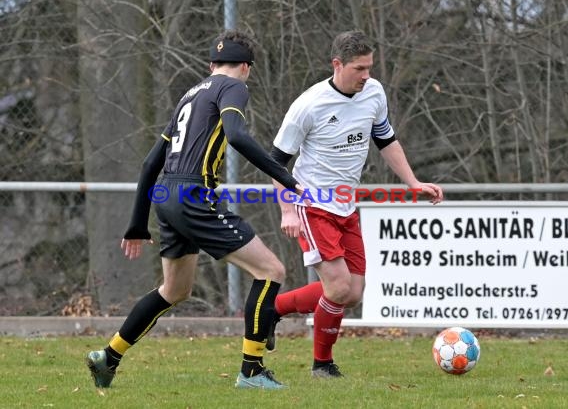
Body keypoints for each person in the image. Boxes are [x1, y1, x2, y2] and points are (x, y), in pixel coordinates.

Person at [85, 30, 305, 390]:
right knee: (270, 271)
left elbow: (149, 164)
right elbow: (236, 135)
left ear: (211, 65)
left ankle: (108, 357)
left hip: (166, 196)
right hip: (192, 194)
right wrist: (287, 177)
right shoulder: (233, 87)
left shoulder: (189, 95)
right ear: (246, 67)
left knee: (174, 290)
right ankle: (251, 371)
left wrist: (138, 223)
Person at [267, 30, 444, 378]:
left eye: (369, 67)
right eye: (359, 68)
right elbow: (275, 161)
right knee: (338, 287)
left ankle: (272, 309)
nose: (366, 75)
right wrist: (287, 209)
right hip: (312, 203)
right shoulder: (309, 104)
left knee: (353, 292)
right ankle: (322, 365)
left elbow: (385, 138)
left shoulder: (373, 92)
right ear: (337, 64)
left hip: (346, 206)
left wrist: (412, 182)